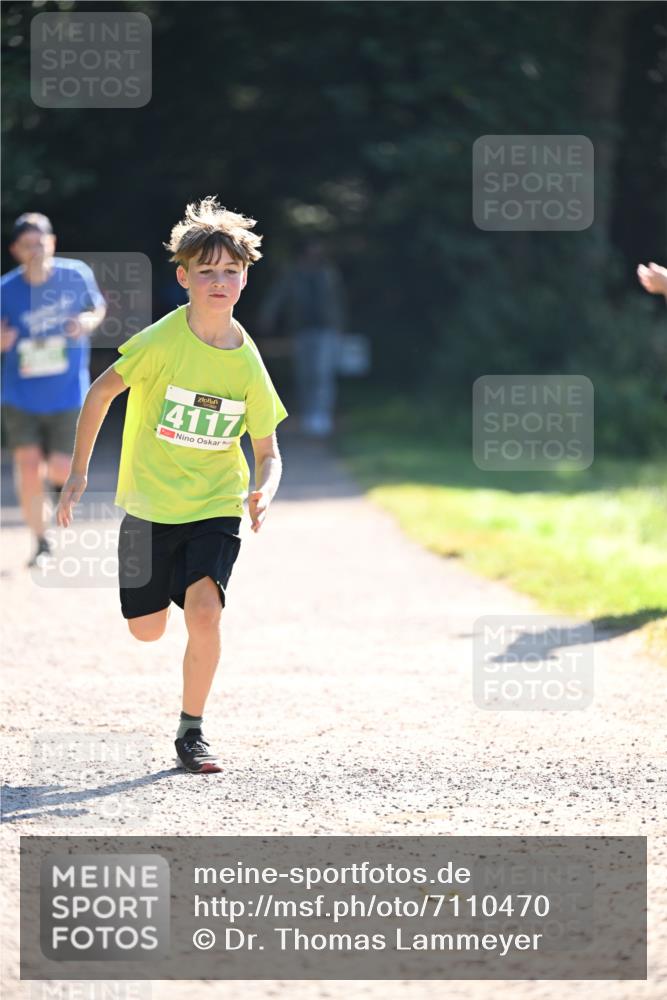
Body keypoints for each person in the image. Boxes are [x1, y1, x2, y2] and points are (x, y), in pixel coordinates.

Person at [56, 196, 288, 774]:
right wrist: (80, 471)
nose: (219, 281)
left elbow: (267, 451)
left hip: (214, 502)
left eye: (230, 271)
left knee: (206, 610)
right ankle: (155, 609)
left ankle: (192, 731)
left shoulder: (246, 361)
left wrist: (265, 488)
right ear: (183, 277)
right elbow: (101, 391)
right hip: (149, 504)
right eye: (205, 271)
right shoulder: (162, 341)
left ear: (244, 279)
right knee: (146, 630)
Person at [1, 212, 106, 566]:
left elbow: (97, 308)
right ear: (15, 250)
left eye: (40, 242)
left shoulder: (76, 275)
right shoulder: (6, 290)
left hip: (68, 392)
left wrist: (87, 322)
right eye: (27, 245)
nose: (35, 250)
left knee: (60, 468)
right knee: (28, 465)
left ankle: (52, 487)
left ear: (52, 242)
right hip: (20, 395)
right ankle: (41, 542)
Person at [260, 238, 344, 437]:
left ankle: (322, 415)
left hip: (325, 330)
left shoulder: (329, 274)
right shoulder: (292, 274)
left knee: (322, 373)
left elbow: (337, 302)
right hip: (300, 330)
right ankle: (308, 414)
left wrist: (340, 328)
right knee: (305, 374)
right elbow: (278, 296)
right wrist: (267, 316)